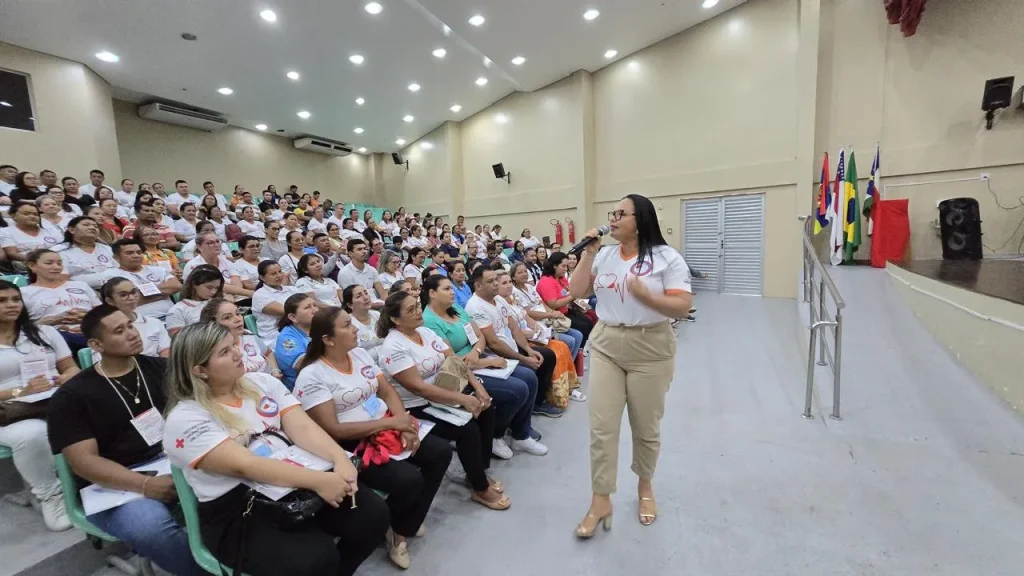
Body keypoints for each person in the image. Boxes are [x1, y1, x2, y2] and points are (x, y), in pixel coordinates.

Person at [162, 322, 388, 576]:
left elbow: (302, 427)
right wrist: (320, 481)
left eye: (233, 345)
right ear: (200, 370)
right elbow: (245, 465)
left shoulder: (261, 383)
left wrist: (340, 459)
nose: (238, 353)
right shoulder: (185, 418)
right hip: (240, 506)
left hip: (291, 478)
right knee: (315, 559)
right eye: (224, 352)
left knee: (373, 516)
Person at [568, 194, 692, 537]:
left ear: (642, 219)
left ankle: (645, 487)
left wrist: (648, 296)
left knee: (645, 426)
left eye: (621, 213)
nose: (613, 218)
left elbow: (682, 305)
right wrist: (588, 253)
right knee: (602, 426)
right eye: (612, 213)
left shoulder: (667, 258)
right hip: (607, 341)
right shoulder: (604, 255)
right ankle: (600, 499)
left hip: (651, 345)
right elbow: (576, 291)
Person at [48, 305, 203, 574]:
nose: (132, 333)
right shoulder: (73, 396)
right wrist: (145, 485)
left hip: (174, 459)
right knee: (151, 527)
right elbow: (84, 463)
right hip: (115, 484)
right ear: (96, 344)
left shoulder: (163, 368)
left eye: (131, 325)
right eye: (120, 331)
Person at [295, 306, 453, 568]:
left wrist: (403, 425)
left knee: (440, 452)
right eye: (347, 325)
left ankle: (402, 526)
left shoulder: (357, 354)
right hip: (352, 443)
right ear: (328, 339)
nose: (355, 328)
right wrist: (391, 422)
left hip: (386, 424)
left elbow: (388, 391)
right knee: (409, 479)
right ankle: (395, 529)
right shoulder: (312, 375)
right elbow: (333, 429)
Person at [376, 291, 510, 510]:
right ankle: (480, 488)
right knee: (467, 429)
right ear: (395, 319)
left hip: (444, 393)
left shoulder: (426, 332)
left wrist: (477, 388)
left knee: (487, 407)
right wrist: (464, 399)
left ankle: (477, 471)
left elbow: (454, 360)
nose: (418, 311)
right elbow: (419, 388)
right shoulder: (394, 347)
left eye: (417, 306)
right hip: (418, 405)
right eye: (410, 310)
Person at [420, 274, 548, 458]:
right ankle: (496, 434)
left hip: (478, 358)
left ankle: (521, 434)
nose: (452, 293)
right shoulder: (430, 321)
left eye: (451, 288)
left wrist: (477, 352)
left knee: (529, 376)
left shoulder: (454, 308)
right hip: (461, 372)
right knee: (518, 389)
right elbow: (453, 360)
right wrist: (487, 361)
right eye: (446, 289)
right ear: (432, 293)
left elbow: (479, 336)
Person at [0, 279, 77, 531]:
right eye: (2, 301)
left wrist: (64, 378)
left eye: (15, 299)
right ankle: (50, 495)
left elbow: (71, 367)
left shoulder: (44, 332)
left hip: (53, 400)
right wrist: (23, 390)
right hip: (9, 412)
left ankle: (88, 478)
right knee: (32, 433)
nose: (11, 305)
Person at [465, 266, 563, 418]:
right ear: (478, 286)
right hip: (495, 357)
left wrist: (528, 350)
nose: (496, 284)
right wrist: (524, 358)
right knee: (529, 375)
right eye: (491, 281)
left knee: (547, 356)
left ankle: (537, 403)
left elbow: (514, 326)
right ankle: (519, 424)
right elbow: (493, 343)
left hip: (512, 347)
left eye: (496, 280)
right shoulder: (475, 306)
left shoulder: (498, 299)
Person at [499, 269, 583, 408]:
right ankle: (552, 394)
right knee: (554, 351)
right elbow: (512, 330)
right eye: (504, 283)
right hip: (522, 340)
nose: (509, 285)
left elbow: (526, 317)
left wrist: (540, 331)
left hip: (533, 334)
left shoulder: (513, 299)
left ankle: (565, 388)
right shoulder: (500, 304)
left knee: (562, 346)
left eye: (509, 282)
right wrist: (534, 334)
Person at [23, 249, 100, 352]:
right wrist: (50, 322)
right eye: (49, 263)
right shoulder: (24, 293)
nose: (56, 267)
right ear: (32, 266)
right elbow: (19, 328)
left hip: (91, 331)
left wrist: (88, 318)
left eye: (59, 263)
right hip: (53, 335)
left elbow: (102, 314)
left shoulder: (80, 285)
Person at [200, 298, 282, 377]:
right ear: (213, 325)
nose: (238, 319)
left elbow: (268, 353)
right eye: (227, 317)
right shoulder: (215, 352)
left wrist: (275, 371)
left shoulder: (248, 335)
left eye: (238, 313)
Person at [100, 240, 180, 318]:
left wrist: (142, 292)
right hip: (141, 320)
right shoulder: (111, 274)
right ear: (116, 257)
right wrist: (162, 293)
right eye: (129, 253)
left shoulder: (157, 270)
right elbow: (123, 301)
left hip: (172, 316)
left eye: (139, 252)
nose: (136, 255)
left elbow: (176, 286)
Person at [99, 277, 171, 358]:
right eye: (123, 295)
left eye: (133, 292)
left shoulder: (155, 323)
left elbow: (166, 353)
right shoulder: (103, 329)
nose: (131, 298)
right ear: (110, 301)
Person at [537, 251, 594, 349]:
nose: (566, 269)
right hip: (556, 315)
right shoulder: (546, 281)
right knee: (584, 325)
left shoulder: (561, 278)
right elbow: (553, 304)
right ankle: (580, 353)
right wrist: (573, 296)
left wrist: (583, 305)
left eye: (566, 266)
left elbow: (570, 293)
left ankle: (583, 350)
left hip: (567, 310)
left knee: (591, 317)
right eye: (563, 266)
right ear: (555, 266)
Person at [183, 232, 252, 300]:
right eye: (211, 243)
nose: (216, 245)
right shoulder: (194, 265)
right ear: (199, 247)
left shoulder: (226, 261)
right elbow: (214, 286)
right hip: (205, 300)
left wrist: (230, 294)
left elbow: (238, 285)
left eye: (217, 241)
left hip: (232, 297)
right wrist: (250, 293)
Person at [56, 216, 116, 289]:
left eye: (95, 226)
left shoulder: (107, 249)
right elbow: (62, 278)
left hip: (112, 288)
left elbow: (119, 271)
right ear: (72, 230)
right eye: (86, 225)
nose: (92, 228)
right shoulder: (59, 251)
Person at [273, 293, 318, 390]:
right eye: (307, 308)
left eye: (315, 305)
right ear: (293, 317)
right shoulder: (286, 339)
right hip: (304, 388)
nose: (315, 310)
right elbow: (305, 365)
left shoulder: (320, 327)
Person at [165, 265, 224, 336]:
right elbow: (179, 342)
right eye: (209, 287)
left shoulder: (219, 303)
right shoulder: (177, 310)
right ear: (194, 284)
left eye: (217, 288)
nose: (213, 292)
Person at [251, 261, 299, 346]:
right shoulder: (259, 295)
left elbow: (308, 304)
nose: (279, 275)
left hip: (297, 328)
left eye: (280, 271)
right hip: (275, 336)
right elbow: (285, 311)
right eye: (273, 274)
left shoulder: (292, 289)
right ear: (262, 277)